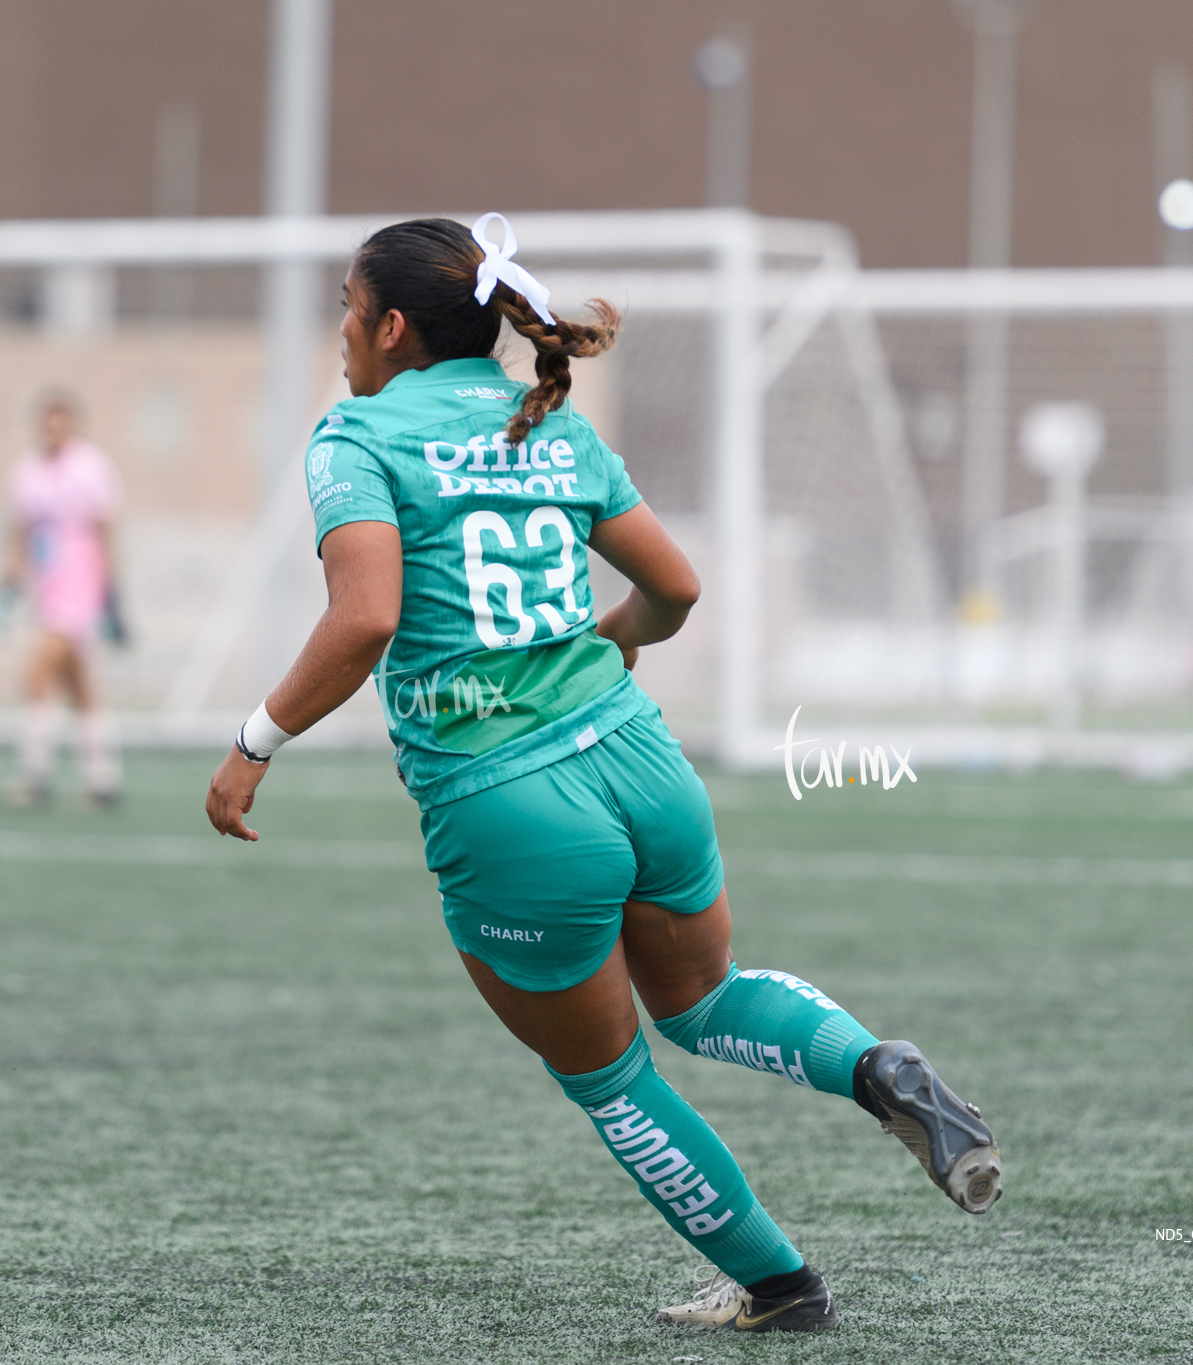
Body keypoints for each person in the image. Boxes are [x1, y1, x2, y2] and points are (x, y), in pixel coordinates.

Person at [203, 215, 1001, 1334]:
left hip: (509, 807)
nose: (339, 330)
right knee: (706, 1001)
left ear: (389, 326)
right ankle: (875, 1067)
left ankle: (780, 1287)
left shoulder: (356, 435)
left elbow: (367, 616)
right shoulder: (552, 424)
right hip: (637, 756)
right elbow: (673, 588)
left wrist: (253, 743)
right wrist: (612, 639)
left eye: (344, 305)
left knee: (611, 1078)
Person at [1, 390, 125, 807]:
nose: (54, 431)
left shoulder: (90, 468)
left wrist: (112, 594)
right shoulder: (28, 473)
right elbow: (21, 532)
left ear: (72, 426)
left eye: (61, 423)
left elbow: (104, 531)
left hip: (82, 587)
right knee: (78, 684)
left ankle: (34, 775)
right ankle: (102, 777)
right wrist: (8, 585)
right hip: (47, 590)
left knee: (38, 673)